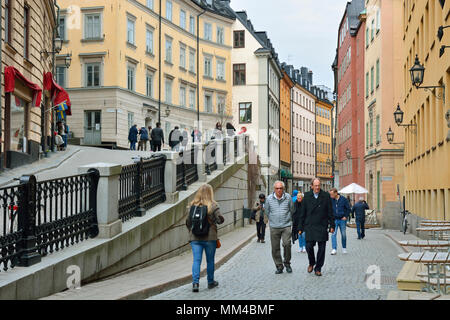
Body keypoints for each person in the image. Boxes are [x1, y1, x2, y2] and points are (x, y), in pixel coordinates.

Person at [185, 184, 224, 292]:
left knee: (196, 260)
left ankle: (195, 283)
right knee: (210, 260)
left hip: (195, 238)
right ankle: (210, 282)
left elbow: (188, 222)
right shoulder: (213, 205)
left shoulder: (191, 206)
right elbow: (219, 220)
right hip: (209, 238)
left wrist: (192, 231)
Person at [297, 178, 335, 276]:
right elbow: (302, 213)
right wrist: (300, 227)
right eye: (316, 185)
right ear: (312, 186)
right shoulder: (307, 196)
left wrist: (332, 225)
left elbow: (330, 211)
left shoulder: (326, 196)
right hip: (310, 225)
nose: (317, 187)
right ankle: (311, 262)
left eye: (319, 185)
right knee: (309, 246)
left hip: (322, 225)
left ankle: (318, 268)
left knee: (322, 248)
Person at [265, 181, 295, 274]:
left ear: (283, 189)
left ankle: (287, 263)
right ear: (274, 189)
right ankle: (279, 266)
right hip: (274, 226)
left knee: (287, 244)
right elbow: (267, 211)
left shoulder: (288, 197)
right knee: (275, 247)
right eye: (277, 188)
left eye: (280, 188)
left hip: (286, 225)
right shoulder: (269, 199)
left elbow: (292, 210)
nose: (279, 190)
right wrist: (272, 220)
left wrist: (288, 219)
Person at [329, 188, 351, 255]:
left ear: (336, 193)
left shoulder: (344, 199)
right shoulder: (331, 200)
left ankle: (344, 248)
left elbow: (348, 209)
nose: (331, 196)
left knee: (343, 234)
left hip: (342, 219)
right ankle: (334, 249)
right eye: (330, 194)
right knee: (333, 234)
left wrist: (346, 216)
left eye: (332, 194)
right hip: (334, 219)